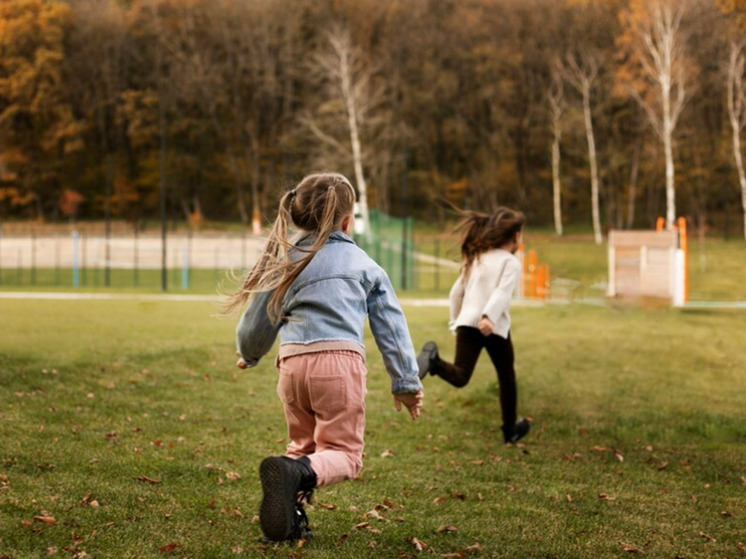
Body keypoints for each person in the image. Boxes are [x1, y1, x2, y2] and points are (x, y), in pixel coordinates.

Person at [226, 173, 424, 544]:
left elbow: (258, 320)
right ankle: (291, 479)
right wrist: (406, 383)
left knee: (302, 451)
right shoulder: (363, 263)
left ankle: (289, 522)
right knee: (345, 455)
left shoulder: (286, 261)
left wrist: (249, 355)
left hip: (292, 367)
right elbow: (392, 328)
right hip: (338, 365)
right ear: (347, 222)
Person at [417, 207, 531, 444]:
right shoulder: (510, 262)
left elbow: (455, 293)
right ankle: (510, 430)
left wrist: (455, 321)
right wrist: (489, 316)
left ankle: (434, 361)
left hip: (466, 323)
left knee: (461, 376)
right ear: (516, 236)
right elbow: (502, 292)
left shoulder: (478, 257)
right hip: (492, 327)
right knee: (506, 375)